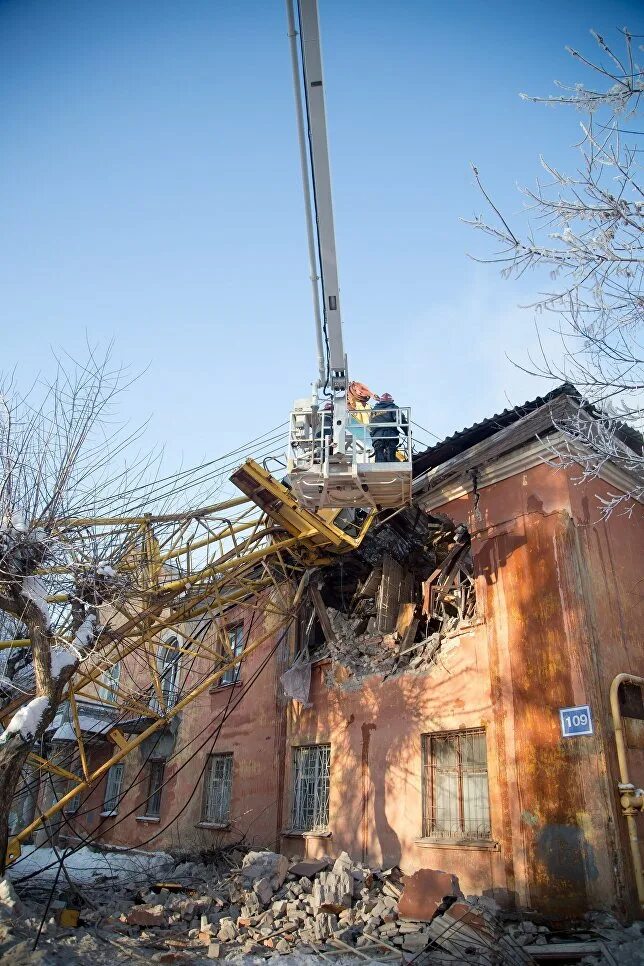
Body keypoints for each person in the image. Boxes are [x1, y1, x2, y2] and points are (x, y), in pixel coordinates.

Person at [371, 392, 404, 463]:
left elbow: (371, 425)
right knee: (391, 457)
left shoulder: (374, 410)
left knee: (379, 456)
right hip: (390, 435)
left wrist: (373, 436)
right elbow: (402, 421)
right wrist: (407, 431)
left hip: (377, 437)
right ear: (391, 401)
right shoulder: (393, 407)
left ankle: (379, 467)